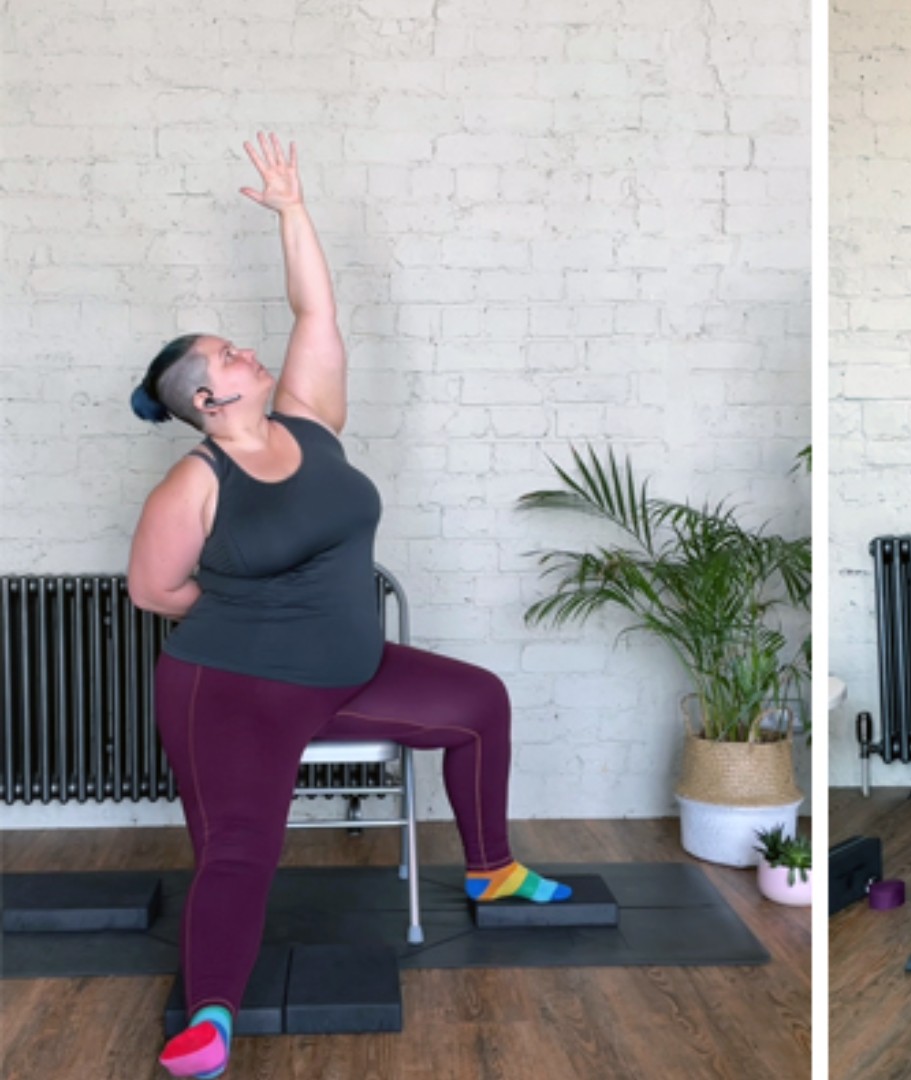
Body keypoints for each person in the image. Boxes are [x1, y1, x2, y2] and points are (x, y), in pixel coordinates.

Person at [127, 134, 571, 1080]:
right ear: (207, 396)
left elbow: (315, 308)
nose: (245, 350)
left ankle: (491, 865)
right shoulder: (192, 483)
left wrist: (293, 209)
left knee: (478, 703)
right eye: (226, 354)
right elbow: (152, 590)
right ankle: (210, 1018)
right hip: (234, 688)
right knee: (242, 855)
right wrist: (254, 605)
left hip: (349, 671)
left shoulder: (309, 418)